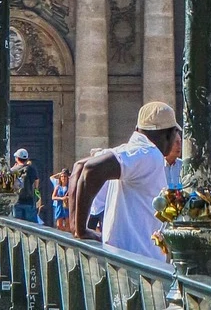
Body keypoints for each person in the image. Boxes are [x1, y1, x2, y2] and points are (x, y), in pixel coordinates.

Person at [70, 101, 183, 265]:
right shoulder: (149, 154)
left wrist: (75, 226)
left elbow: (79, 167)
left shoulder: (132, 151)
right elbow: (91, 169)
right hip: (140, 263)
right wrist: (81, 230)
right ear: (168, 134)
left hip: (122, 258)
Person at [12, 149, 42, 223]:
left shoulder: (13, 170)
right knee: (31, 225)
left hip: (17, 201)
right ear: (27, 159)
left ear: (17, 158)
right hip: (29, 201)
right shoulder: (31, 169)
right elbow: (36, 182)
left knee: (17, 225)